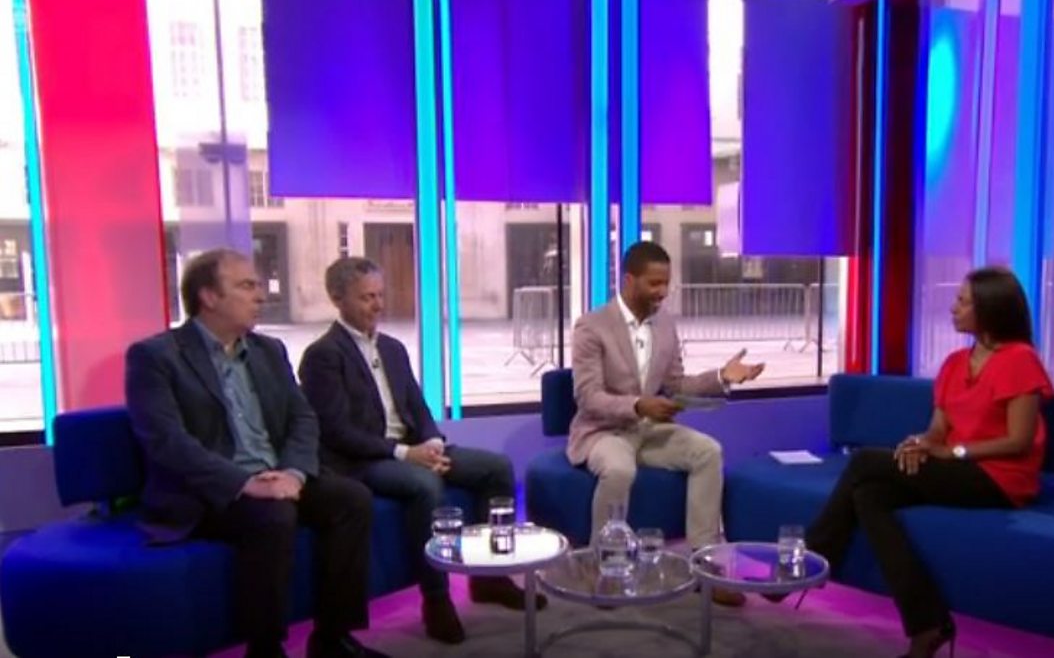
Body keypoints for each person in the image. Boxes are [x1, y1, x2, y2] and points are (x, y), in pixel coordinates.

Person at [124, 248, 385, 658]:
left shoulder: (269, 350)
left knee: (351, 499)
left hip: (278, 476)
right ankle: (265, 649)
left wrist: (294, 473)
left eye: (259, 286)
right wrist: (244, 483)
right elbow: (166, 441)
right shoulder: (156, 356)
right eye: (247, 286)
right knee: (273, 515)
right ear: (209, 296)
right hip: (208, 490)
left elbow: (303, 418)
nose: (260, 296)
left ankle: (333, 639)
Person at [800, 266, 1053, 658]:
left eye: (963, 301)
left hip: (1000, 479)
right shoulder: (955, 362)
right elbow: (938, 429)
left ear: (990, 308)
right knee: (870, 495)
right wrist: (922, 443)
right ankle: (928, 623)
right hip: (956, 469)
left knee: (865, 462)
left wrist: (954, 452)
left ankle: (811, 561)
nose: (953, 308)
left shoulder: (1020, 360)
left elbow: (1019, 441)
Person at [298, 257, 545, 646]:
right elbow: (336, 431)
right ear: (337, 298)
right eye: (366, 297)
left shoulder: (392, 348)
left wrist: (431, 442)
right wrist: (404, 453)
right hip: (362, 461)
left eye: (380, 295)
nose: (378, 305)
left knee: (496, 467)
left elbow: (416, 404)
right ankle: (436, 599)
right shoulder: (323, 356)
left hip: (412, 448)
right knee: (425, 485)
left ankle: (491, 579)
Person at [568, 241, 765, 607]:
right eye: (654, 283)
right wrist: (639, 405)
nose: (662, 292)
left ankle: (705, 566)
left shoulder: (665, 326)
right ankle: (604, 568)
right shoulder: (592, 327)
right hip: (603, 431)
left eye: (666, 284)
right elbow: (588, 397)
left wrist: (722, 376)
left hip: (648, 430)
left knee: (708, 451)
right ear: (629, 280)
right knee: (619, 469)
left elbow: (676, 385)